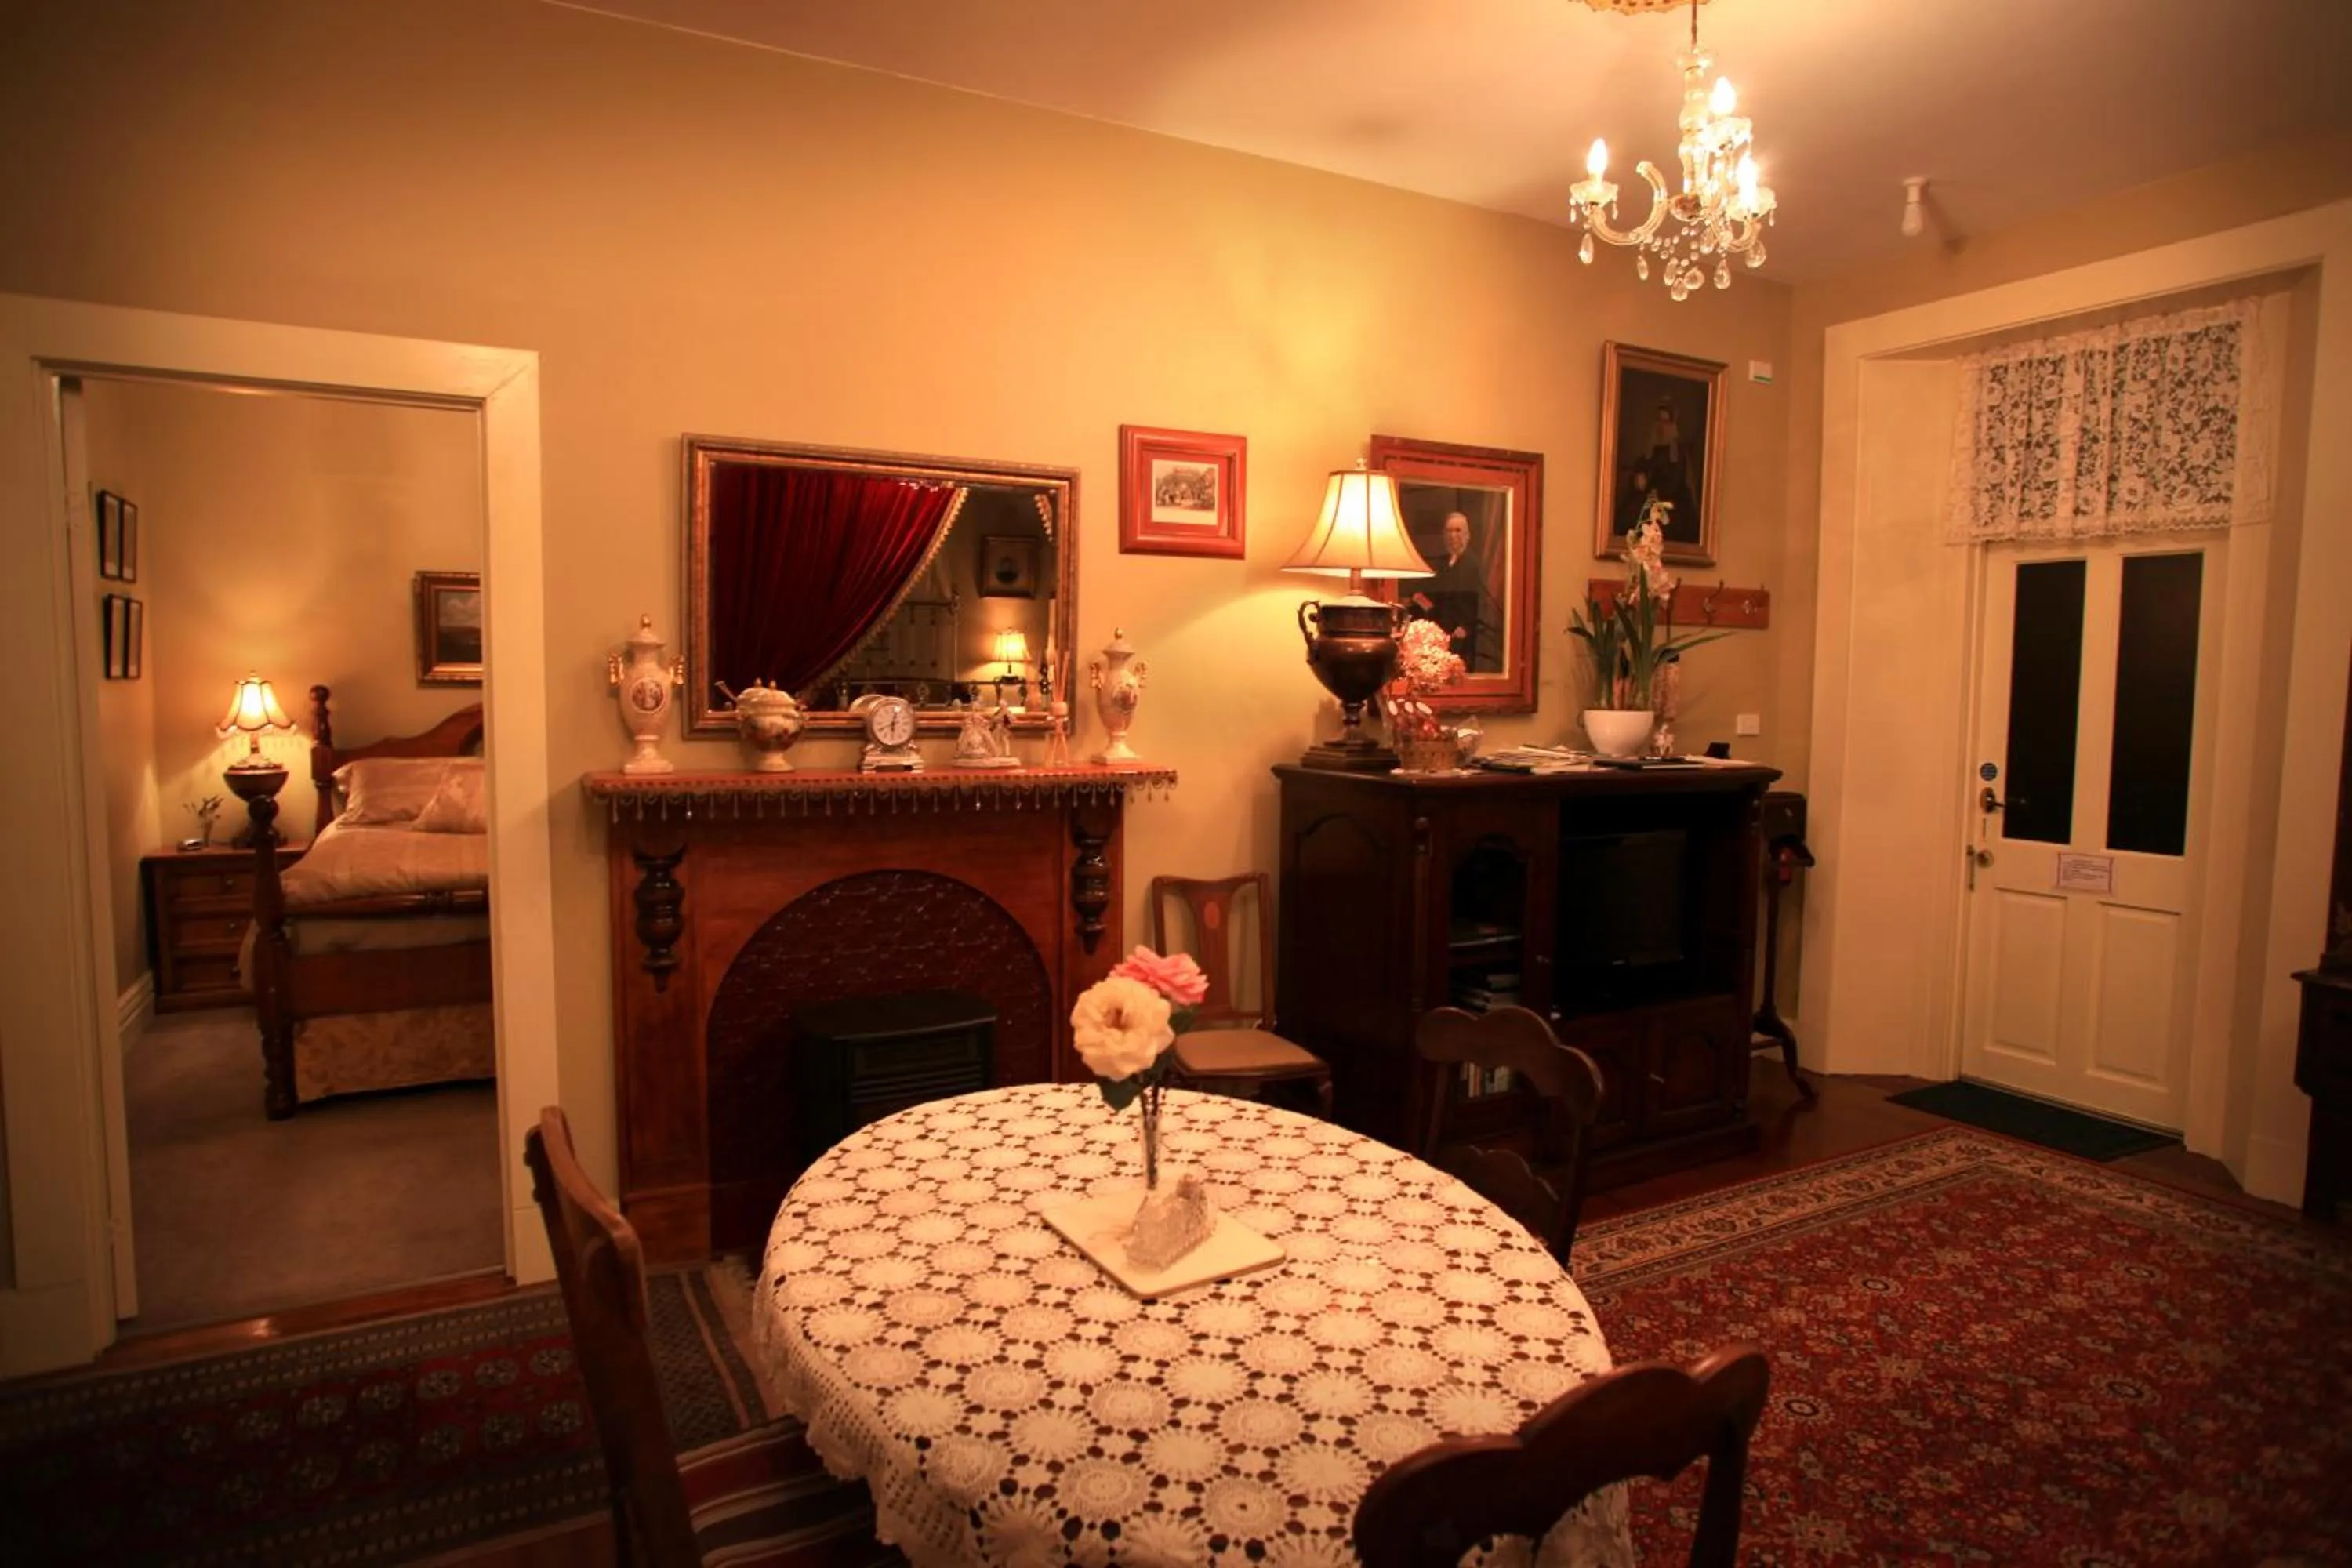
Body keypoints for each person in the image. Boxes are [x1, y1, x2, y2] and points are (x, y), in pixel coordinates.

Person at [1411, 509, 1503, 674]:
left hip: (1462, 634)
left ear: (1467, 534)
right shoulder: (1442, 563)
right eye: (1449, 531)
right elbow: (1436, 594)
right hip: (1442, 628)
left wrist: (1466, 626)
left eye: (1458, 530)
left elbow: (1480, 599)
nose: (1453, 535)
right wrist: (1421, 599)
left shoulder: (1473, 563)